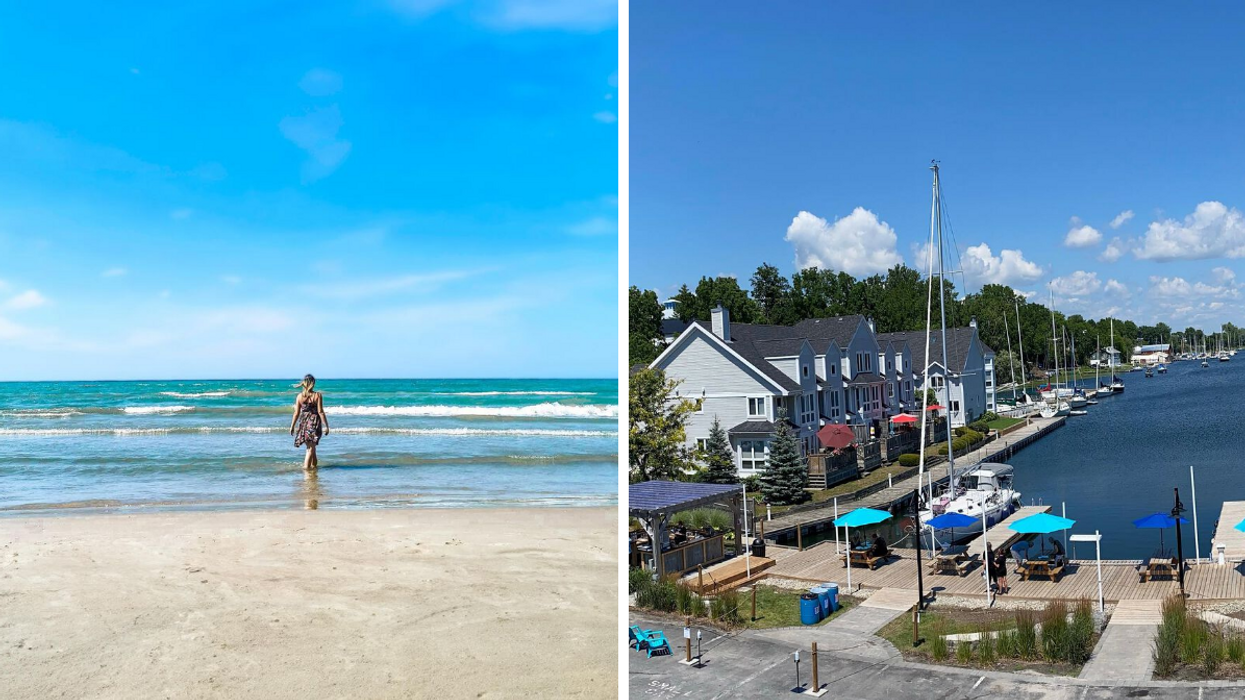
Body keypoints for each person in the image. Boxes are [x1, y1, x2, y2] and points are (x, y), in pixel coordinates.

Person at [289, 374, 329, 471]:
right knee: (310, 449)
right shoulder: (317, 395)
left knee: (312, 448)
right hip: (314, 422)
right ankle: (306, 471)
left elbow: (296, 413)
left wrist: (292, 426)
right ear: (313, 383)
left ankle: (314, 470)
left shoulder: (299, 396)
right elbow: (320, 412)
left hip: (304, 422)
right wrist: (326, 426)